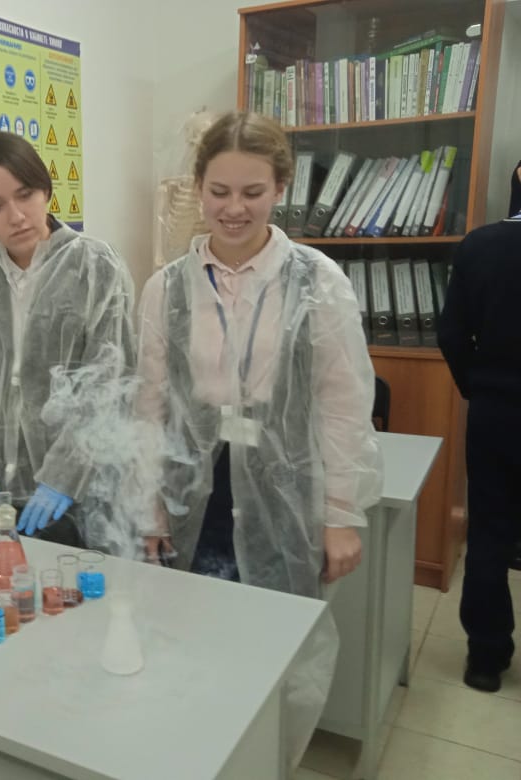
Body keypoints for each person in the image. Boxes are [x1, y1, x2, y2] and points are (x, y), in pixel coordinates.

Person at [137, 111, 382, 765]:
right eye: (219, 191)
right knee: (189, 642)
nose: (233, 208)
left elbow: (343, 406)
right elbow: (150, 403)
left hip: (283, 492)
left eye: (252, 191)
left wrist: (340, 513)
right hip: (194, 492)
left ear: (281, 186)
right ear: (199, 186)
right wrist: (149, 504)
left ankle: (265, 765)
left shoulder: (318, 281)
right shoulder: (166, 288)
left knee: (272, 652)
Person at [0, 131, 136, 542]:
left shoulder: (96, 266)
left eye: (25, 195)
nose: (16, 216)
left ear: (45, 190)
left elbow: (109, 380)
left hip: (77, 495)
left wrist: (65, 474)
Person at [437, 159, 521, 693]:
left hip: (496, 410)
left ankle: (486, 660)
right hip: (494, 402)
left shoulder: (480, 245)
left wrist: (477, 386)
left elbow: (451, 333)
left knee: (489, 531)